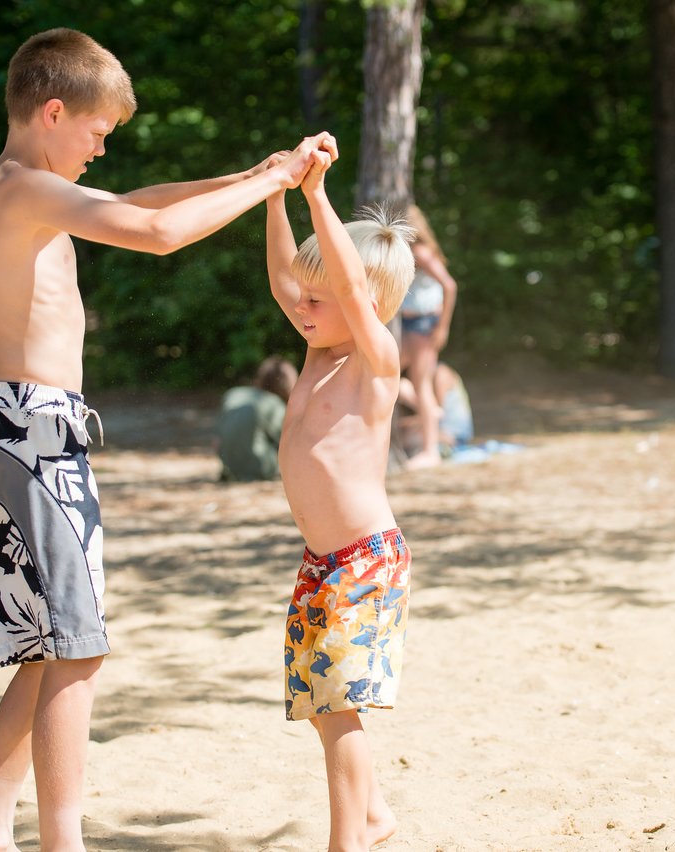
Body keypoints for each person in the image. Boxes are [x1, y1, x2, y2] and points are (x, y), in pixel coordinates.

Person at [0, 28, 335, 851]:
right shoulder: (23, 190)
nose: (100, 148)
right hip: (33, 434)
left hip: (4, 429)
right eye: (96, 132)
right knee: (77, 651)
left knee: (42, 648)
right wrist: (267, 182)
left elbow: (142, 202)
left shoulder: (14, 188)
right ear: (53, 111)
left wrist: (256, 177)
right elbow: (156, 234)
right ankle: (64, 841)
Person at [266, 150, 416, 851]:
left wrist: (317, 195)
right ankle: (376, 814)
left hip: (362, 563)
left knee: (339, 706)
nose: (302, 305)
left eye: (316, 298)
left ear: (370, 308)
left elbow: (349, 289)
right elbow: (285, 280)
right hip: (322, 564)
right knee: (325, 706)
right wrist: (274, 198)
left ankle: (346, 842)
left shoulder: (371, 360)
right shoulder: (317, 354)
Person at [397, 203, 459, 469]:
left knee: (421, 384)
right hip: (410, 325)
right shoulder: (409, 251)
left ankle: (430, 450)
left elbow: (449, 285)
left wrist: (442, 327)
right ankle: (431, 412)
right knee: (388, 374)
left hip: (423, 325)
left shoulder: (420, 251)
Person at [216, 355, 298, 481]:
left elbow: (219, 437)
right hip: (261, 467)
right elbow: (287, 442)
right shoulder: (274, 404)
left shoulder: (233, 393)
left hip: (229, 467)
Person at [397, 361, 474, 457]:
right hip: (439, 429)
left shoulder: (441, 373)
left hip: (454, 435)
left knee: (405, 438)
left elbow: (437, 414)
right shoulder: (422, 377)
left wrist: (410, 397)